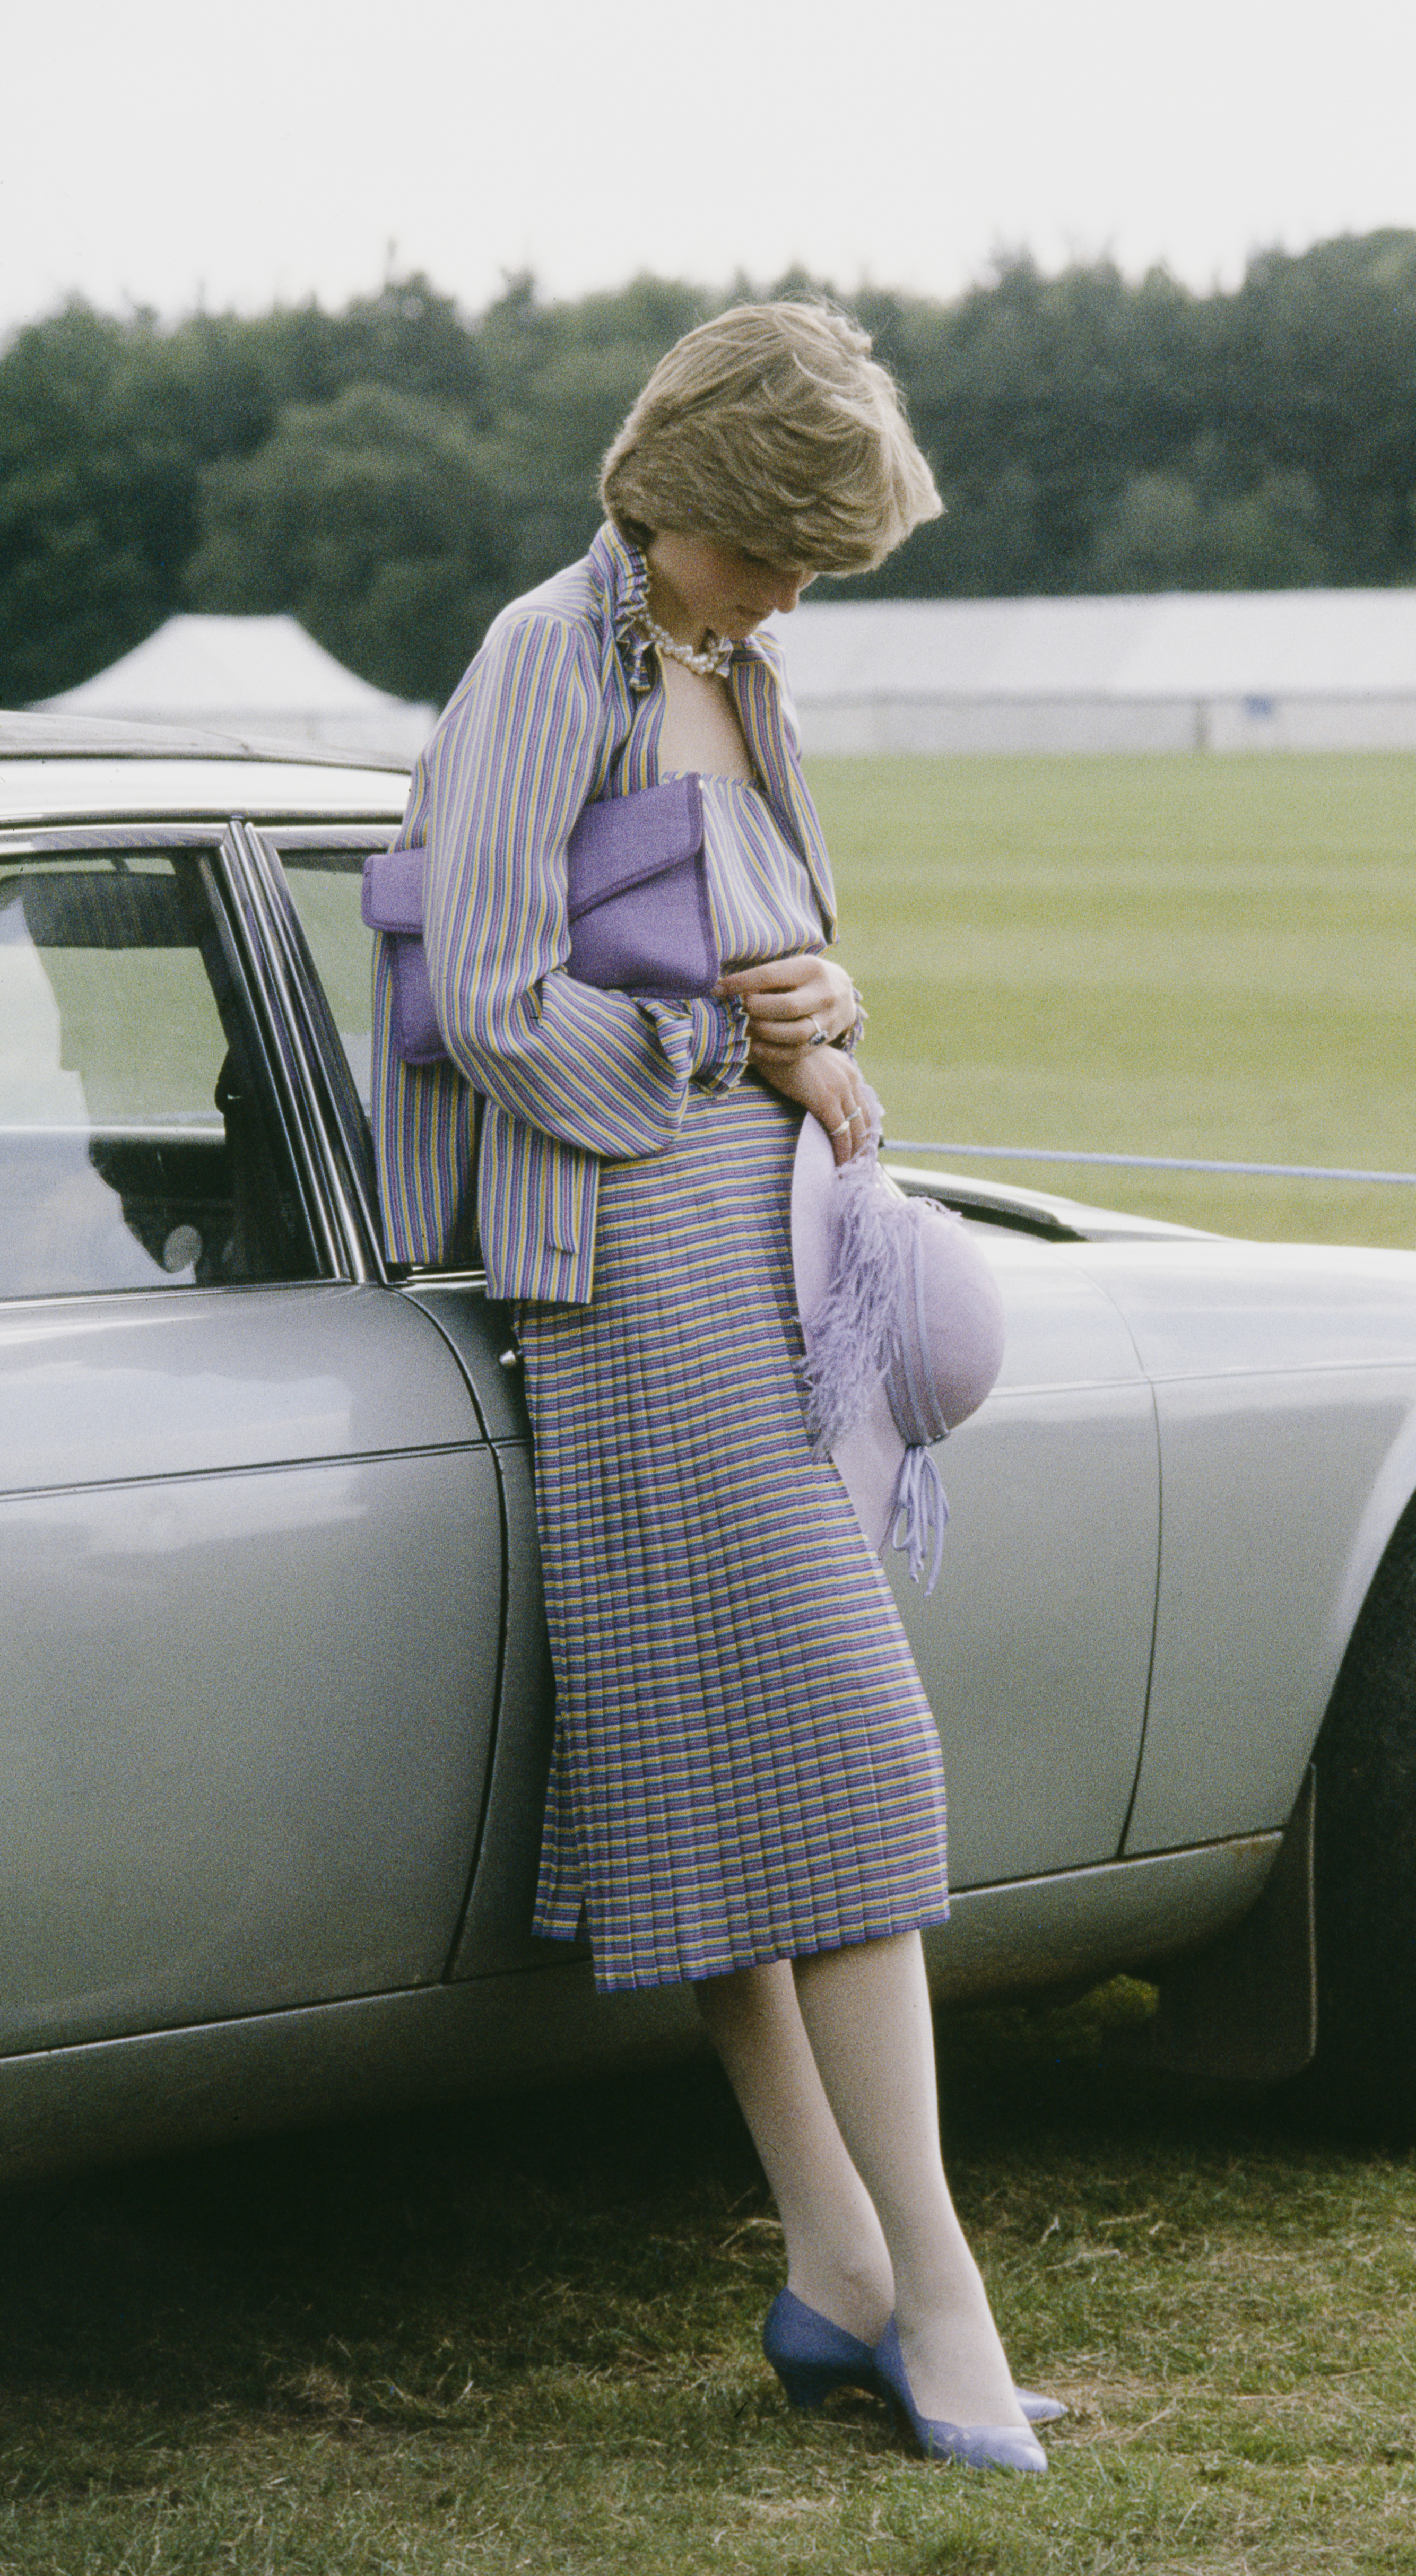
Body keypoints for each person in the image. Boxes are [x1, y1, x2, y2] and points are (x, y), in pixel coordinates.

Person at [372, 301, 1053, 2473]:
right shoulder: (537, 660)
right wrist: (732, 1037)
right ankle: (937, 2297)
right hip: (632, 1269)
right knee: (854, 1760)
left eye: (817, 563)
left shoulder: (739, 667)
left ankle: (836, 2268)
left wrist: (824, 1004)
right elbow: (493, 998)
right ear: (686, 496)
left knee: (734, 1779)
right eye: (776, 548)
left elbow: (757, 949)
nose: (794, 592)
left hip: (779, 1251)